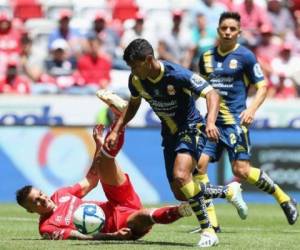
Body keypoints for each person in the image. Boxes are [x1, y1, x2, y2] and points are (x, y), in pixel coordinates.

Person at [101, 38, 248, 247]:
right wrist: (117, 129)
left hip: (191, 128)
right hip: (169, 135)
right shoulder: (136, 80)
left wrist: (211, 122)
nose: (132, 70)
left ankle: (209, 231)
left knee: (181, 176)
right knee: (181, 192)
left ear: (148, 60)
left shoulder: (177, 74)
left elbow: (212, 94)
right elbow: (133, 105)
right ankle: (228, 191)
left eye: (135, 65)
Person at [197, 11, 299, 228]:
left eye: (232, 29)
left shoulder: (245, 57)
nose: (227, 32)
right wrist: (207, 120)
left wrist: (251, 109)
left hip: (235, 122)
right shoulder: (206, 58)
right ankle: (212, 224)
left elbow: (263, 86)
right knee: (200, 166)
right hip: (212, 123)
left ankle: (284, 198)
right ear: (218, 30)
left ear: (239, 33)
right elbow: (205, 91)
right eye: (224, 28)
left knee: (241, 170)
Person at [16, 121, 195, 241]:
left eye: (40, 194)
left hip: (116, 202)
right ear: (30, 210)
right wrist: (113, 236)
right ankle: (182, 209)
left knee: (106, 161)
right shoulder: (47, 228)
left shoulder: (60, 194)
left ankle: (120, 120)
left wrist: (98, 145)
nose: (42, 199)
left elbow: (91, 180)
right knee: (144, 216)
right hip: (118, 224)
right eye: (36, 202)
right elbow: (78, 235)